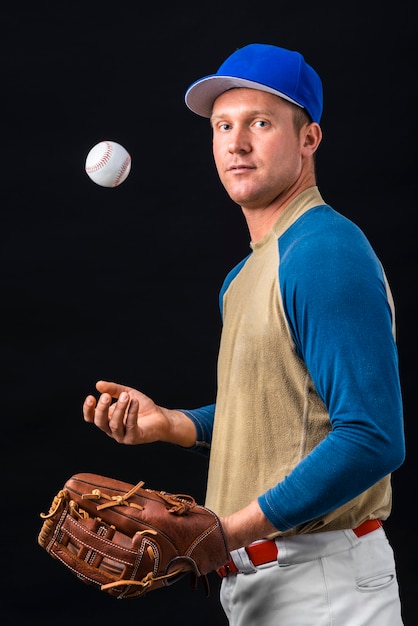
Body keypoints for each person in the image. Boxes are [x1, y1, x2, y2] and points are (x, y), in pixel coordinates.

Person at [83, 43, 406, 625]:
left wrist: (224, 531)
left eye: (260, 122)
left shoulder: (326, 252)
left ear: (309, 139)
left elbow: (372, 436)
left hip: (324, 582)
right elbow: (281, 409)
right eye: (222, 125)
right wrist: (174, 425)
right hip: (261, 583)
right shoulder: (248, 272)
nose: (236, 143)